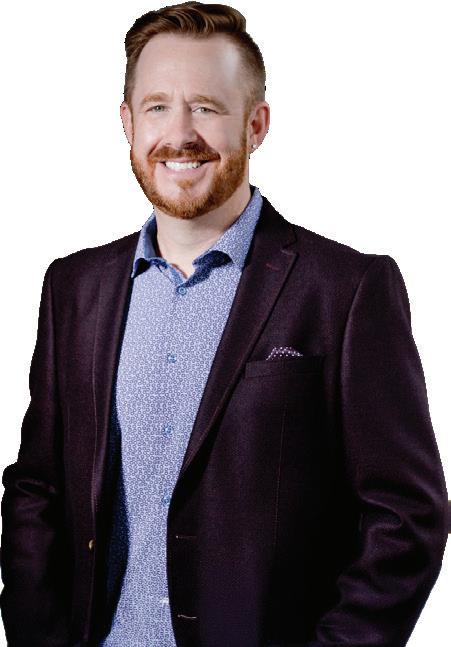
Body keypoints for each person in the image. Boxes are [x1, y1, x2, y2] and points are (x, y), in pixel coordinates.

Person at [0, 2, 448, 646]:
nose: (179, 133)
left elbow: (406, 517)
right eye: (157, 106)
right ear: (127, 122)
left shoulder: (346, 291)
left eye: (206, 107)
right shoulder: (74, 288)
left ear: (255, 124)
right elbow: (37, 489)